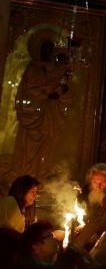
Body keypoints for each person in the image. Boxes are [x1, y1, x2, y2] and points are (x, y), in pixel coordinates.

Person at [12, 31, 73, 179]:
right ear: (38, 50)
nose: (48, 52)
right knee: (31, 151)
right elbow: (30, 90)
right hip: (33, 115)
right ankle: (27, 179)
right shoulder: (32, 69)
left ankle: (40, 179)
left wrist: (60, 89)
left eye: (50, 49)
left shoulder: (56, 69)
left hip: (49, 116)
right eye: (45, 48)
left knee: (47, 149)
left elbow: (63, 90)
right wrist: (48, 94)